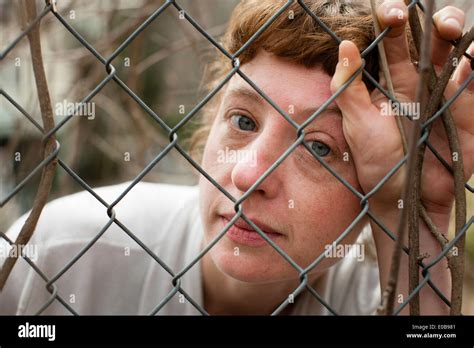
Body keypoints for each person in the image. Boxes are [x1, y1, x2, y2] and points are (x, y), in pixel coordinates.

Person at [1, 0, 472, 315]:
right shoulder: (56, 256)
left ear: (371, 188)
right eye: (243, 121)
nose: (248, 174)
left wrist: (415, 208)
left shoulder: (379, 299)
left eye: (318, 147)